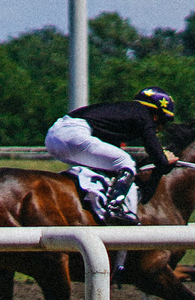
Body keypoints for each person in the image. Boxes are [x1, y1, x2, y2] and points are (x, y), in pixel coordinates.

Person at [44, 88, 177, 226]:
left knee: (110, 167)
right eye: (163, 121)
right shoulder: (143, 114)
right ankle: (114, 208)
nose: (160, 128)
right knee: (126, 161)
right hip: (72, 133)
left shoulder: (126, 113)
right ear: (156, 115)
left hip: (54, 135)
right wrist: (166, 159)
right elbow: (157, 156)